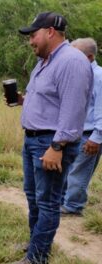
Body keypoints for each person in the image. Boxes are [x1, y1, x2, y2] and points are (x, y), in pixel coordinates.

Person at [12, 12, 93, 264]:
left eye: (33, 35)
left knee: (47, 203)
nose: (30, 41)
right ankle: (35, 245)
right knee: (34, 197)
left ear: (50, 32)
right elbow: (51, 99)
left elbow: (73, 110)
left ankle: (36, 258)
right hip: (34, 141)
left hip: (52, 143)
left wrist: (57, 146)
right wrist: (23, 101)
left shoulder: (72, 61)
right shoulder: (46, 61)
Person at [61, 38, 102, 216]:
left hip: (90, 133)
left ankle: (73, 206)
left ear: (90, 56)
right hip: (75, 132)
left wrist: (97, 137)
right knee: (70, 169)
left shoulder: (99, 76)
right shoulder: (79, 73)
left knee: (79, 171)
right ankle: (67, 201)